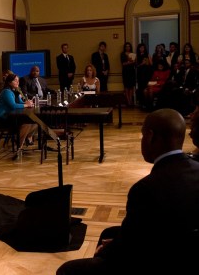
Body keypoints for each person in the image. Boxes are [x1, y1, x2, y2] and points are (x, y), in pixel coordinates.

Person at [57, 108, 199, 275]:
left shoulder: (145, 189)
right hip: (185, 251)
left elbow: (131, 245)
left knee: (66, 270)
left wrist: (106, 250)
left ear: (151, 137)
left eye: (142, 135)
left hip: (156, 260)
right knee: (109, 233)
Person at [0, 73, 37, 149]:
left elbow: (19, 103)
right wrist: (26, 105)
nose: (18, 82)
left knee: (35, 122)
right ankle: (19, 144)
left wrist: (27, 102)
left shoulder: (12, 91)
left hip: (9, 116)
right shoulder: (6, 92)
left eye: (18, 80)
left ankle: (27, 137)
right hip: (3, 118)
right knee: (27, 123)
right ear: (9, 82)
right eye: (15, 80)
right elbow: (13, 106)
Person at [135, 43, 152, 107]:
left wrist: (147, 62)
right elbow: (136, 65)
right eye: (140, 48)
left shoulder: (147, 55)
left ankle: (148, 103)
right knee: (141, 87)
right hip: (140, 73)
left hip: (147, 73)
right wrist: (142, 63)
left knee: (146, 86)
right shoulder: (137, 56)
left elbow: (151, 64)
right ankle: (142, 103)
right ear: (139, 49)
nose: (142, 49)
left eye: (143, 48)